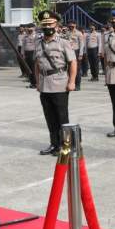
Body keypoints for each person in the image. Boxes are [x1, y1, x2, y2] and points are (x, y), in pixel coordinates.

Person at [34, 10, 77, 155]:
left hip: (60, 84)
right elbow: (37, 64)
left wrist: (72, 82)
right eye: (44, 24)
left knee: (62, 118)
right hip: (45, 84)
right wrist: (38, 82)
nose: (47, 27)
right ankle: (54, 144)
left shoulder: (63, 42)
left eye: (50, 23)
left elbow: (72, 63)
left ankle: (66, 147)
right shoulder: (38, 43)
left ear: (56, 25)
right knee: (50, 118)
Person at [66, 20, 85, 91]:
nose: (71, 26)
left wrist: (80, 54)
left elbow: (82, 44)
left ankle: (77, 85)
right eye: (69, 25)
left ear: (75, 25)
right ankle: (70, 84)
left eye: (72, 25)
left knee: (77, 69)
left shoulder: (79, 33)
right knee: (69, 69)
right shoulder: (67, 33)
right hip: (68, 52)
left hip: (76, 52)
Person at [23, 23, 38, 89]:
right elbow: (23, 46)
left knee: (33, 69)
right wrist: (23, 54)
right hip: (27, 53)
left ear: (34, 28)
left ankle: (35, 83)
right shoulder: (25, 36)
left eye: (30, 28)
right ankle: (32, 83)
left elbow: (38, 46)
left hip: (33, 53)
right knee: (28, 69)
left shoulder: (36, 36)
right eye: (28, 28)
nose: (29, 29)